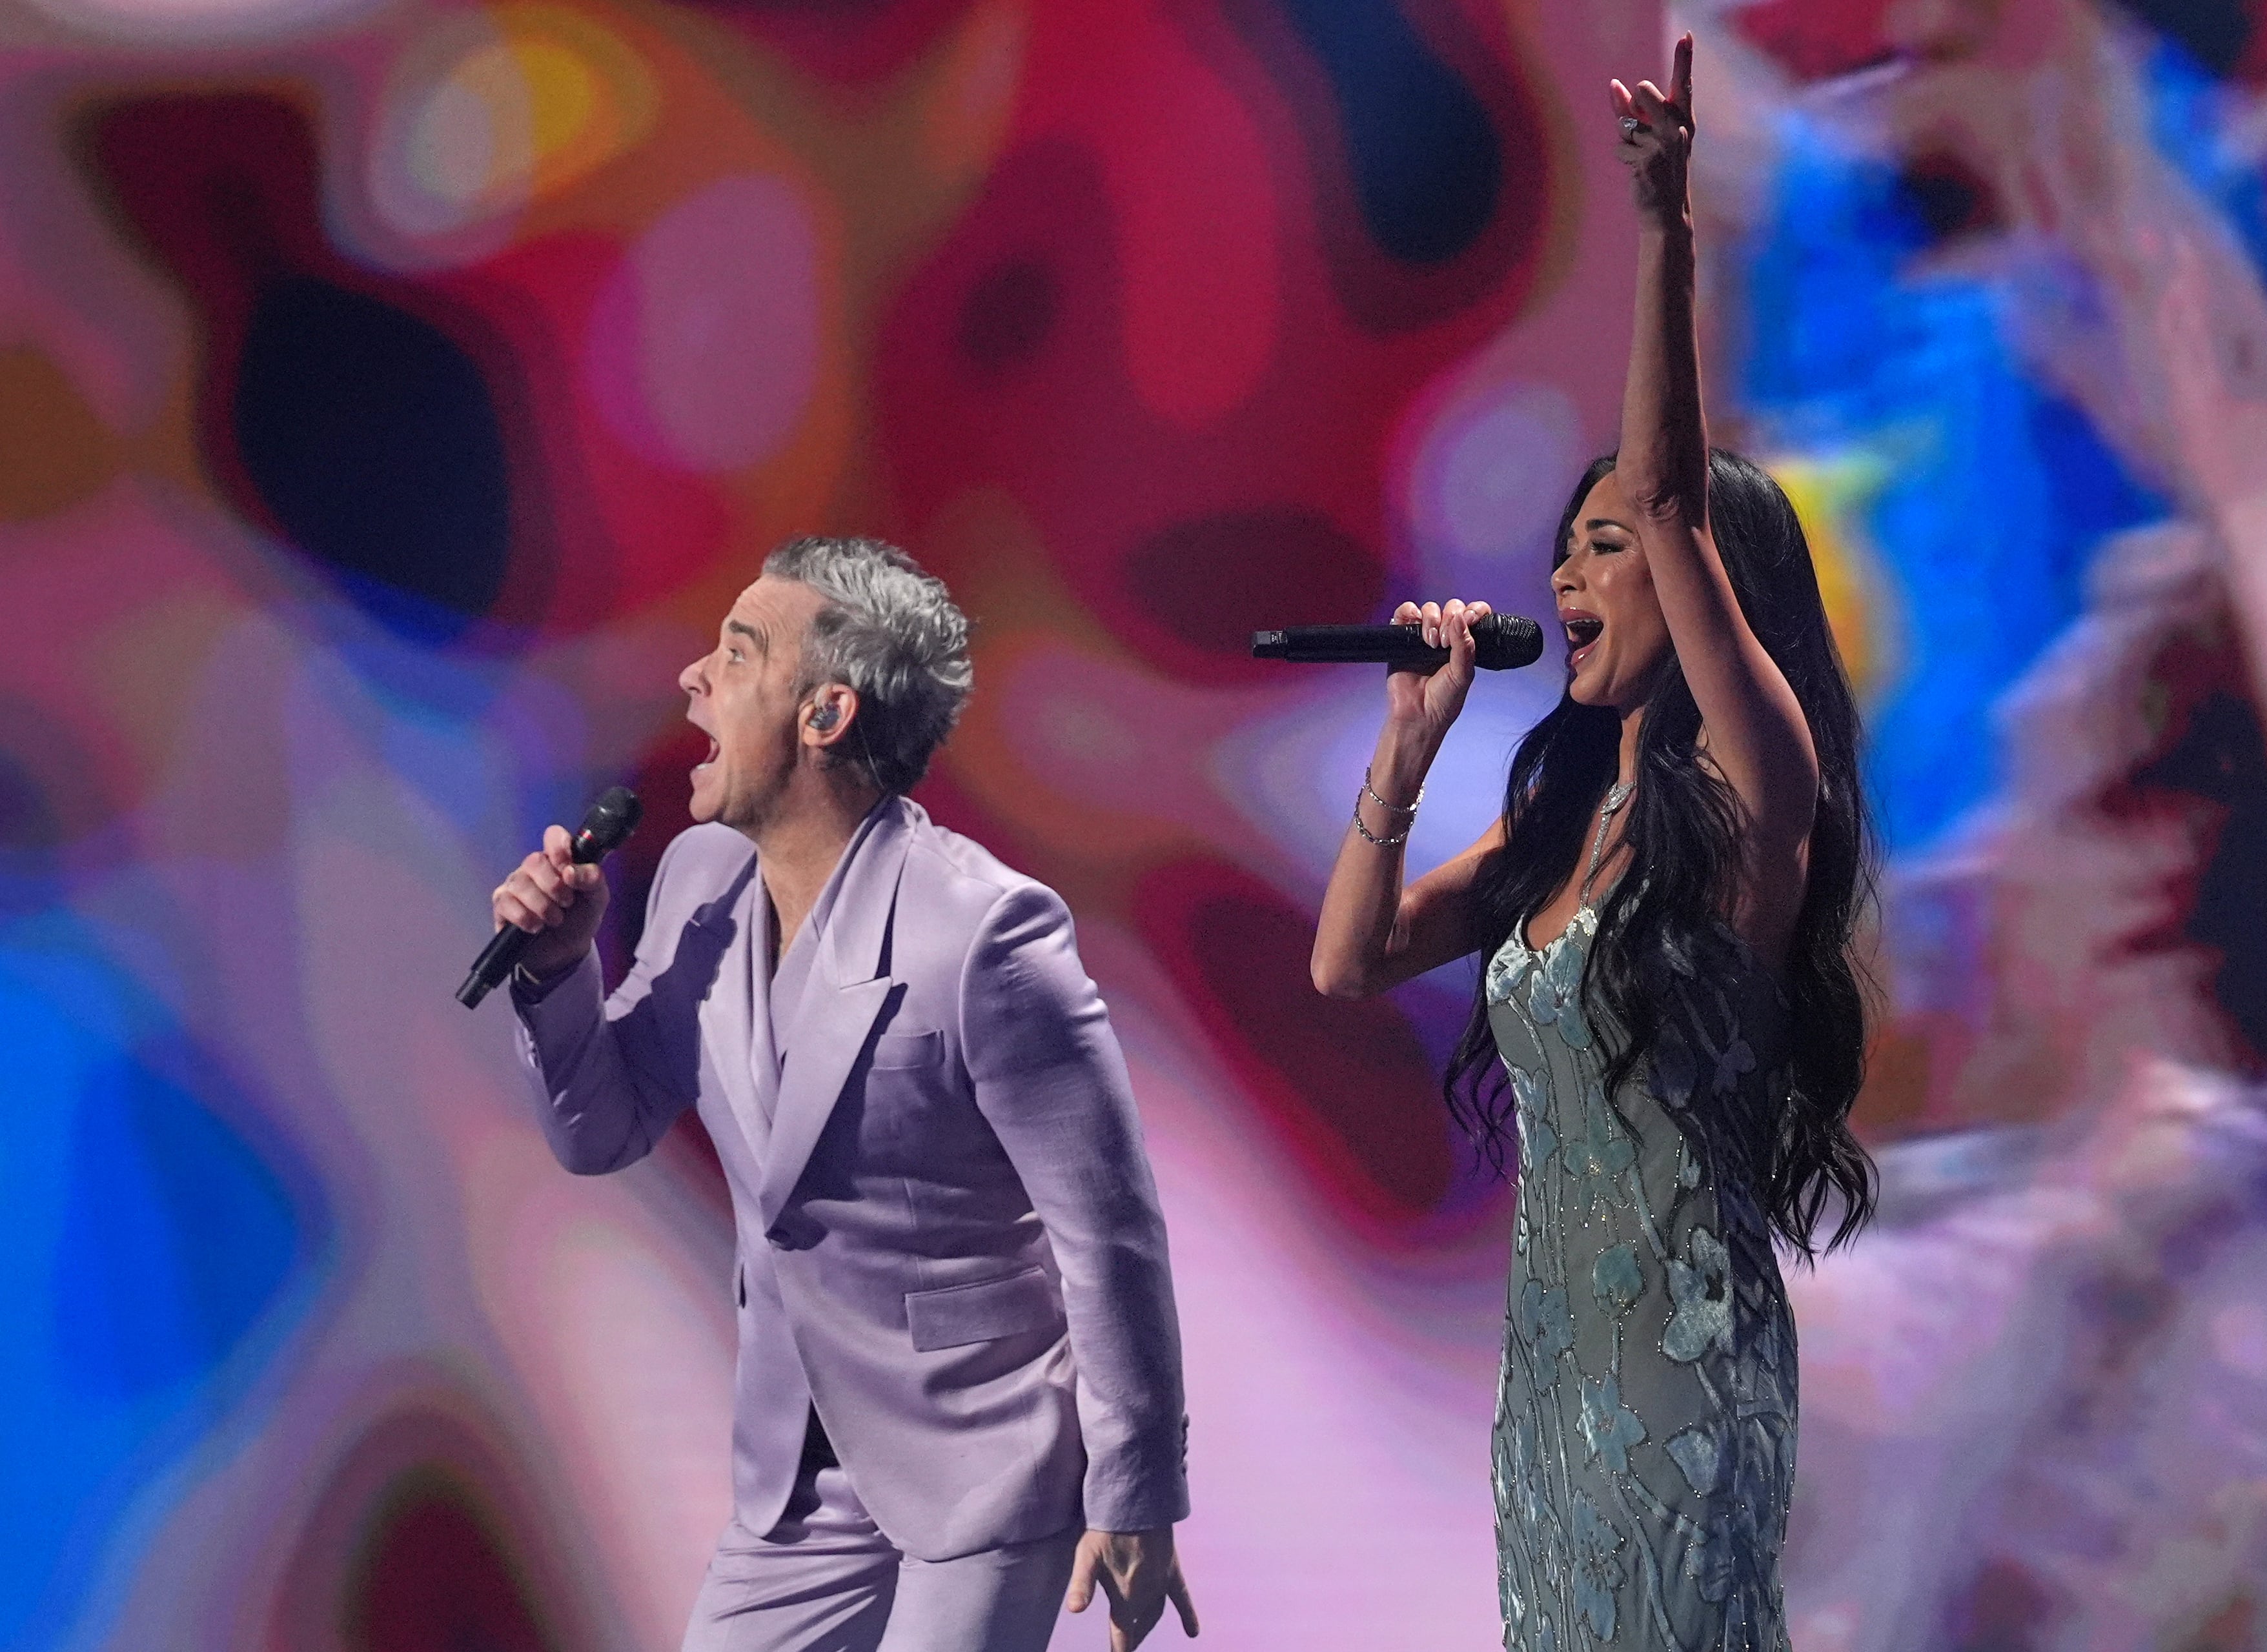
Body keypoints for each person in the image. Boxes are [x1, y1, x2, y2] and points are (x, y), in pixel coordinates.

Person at [1309, 39, 1876, 1651]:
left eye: (1605, 548)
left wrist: (1662, 223)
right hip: (1550, 1376)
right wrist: (1409, 747)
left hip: (1682, 1370)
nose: (1567, 579)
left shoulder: (1758, 792)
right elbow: (1346, 957)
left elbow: (1680, 497)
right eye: (1561, 553)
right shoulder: (1554, 827)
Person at [487, 536, 1199, 1652]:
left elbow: (1106, 1232)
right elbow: (602, 1129)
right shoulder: (697, 883)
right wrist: (555, 971)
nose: (693, 678)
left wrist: (1138, 1489)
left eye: (735, 652)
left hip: (980, 1456)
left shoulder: (985, 932)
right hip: (798, 1478)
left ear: (824, 715)